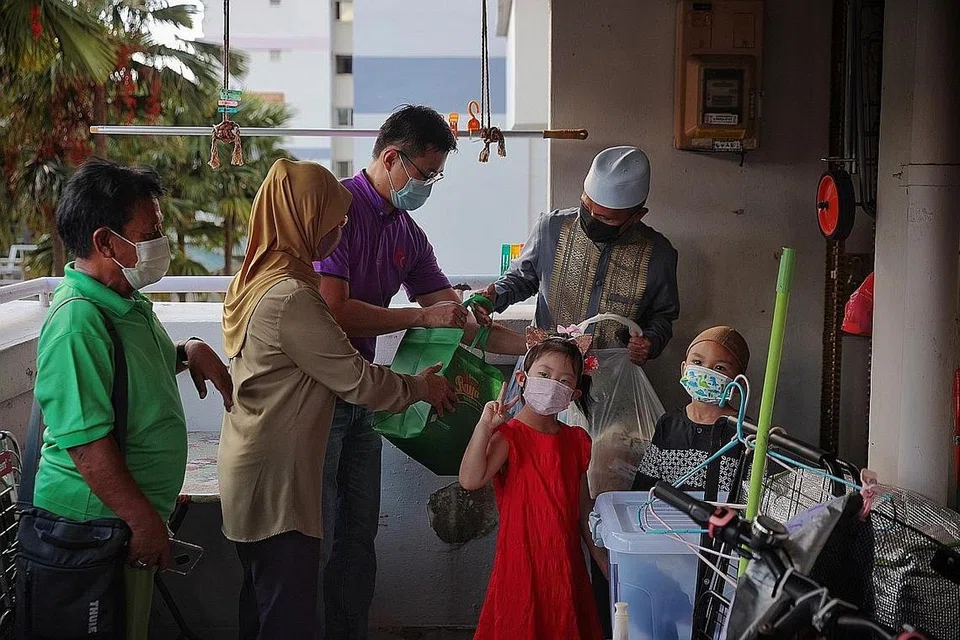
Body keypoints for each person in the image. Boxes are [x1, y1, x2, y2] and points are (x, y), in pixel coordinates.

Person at [218, 159, 457, 640]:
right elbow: (355, 380)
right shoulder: (291, 297)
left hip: (255, 466)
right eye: (334, 219)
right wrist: (419, 388)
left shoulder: (257, 279)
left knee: (263, 607)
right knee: (288, 614)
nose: (342, 229)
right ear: (304, 218)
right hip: (281, 480)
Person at [314, 104, 526, 637]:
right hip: (315, 395)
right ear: (392, 158)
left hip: (367, 395)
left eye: (434, 177)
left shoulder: (406, 232)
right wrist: (418, 315)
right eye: (424, 175)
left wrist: (533, 345)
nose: (427, 187)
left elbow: (451, 312)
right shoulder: (336, 212)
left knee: (359, 536)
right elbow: (332, 309)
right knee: (314, 533)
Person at [19, 158, 232, 639]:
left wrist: (187, 352)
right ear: (104, 241)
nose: (162, 243)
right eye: (150, 231)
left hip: (119, 524)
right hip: (86, 529)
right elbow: (87, 446)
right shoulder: (78, 320)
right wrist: (145, 523)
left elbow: (130, 372)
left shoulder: (127, 304)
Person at [459, 330, 606, 640]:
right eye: (544, 374)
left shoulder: (577, 441)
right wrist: (484, 429)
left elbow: (584, 512)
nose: (553, 384)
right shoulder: (509, 437)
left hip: (565, 567)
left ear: (574, 395)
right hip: (521, 565)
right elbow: (470, 479)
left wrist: (605, 563)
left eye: (565, 381)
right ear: (524, 379)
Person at [475, 145, 679, 363]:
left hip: (611, 377)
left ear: (638, 216)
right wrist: (495, 296)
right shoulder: (552, 228)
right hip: (545, 371)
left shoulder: (658, 254)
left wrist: (650, 342)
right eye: (586, 207)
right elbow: (522, 279)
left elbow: (662, 316)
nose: (591, 219)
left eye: (607, 219)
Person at [632, 326, 751, 494]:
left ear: (740, 384)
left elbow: (750, 498)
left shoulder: (745, 434)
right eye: (698, 363)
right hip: (664, 517)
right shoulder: (669, 424)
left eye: (719, 368)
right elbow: (644, 485)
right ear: (684, 369)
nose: (705, 372)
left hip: (720, 519)